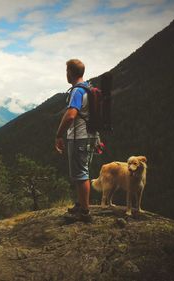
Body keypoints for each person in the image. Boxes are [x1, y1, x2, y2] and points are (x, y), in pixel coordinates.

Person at [55, 59, 98, 222]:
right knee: (82, 171)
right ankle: (81, 204)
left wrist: (59, 134)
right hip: (89, 136)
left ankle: (85, 212)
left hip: (79, 137)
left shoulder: (77, 91)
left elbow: (72, 114)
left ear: (70, 73)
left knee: (81, 174)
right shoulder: (88, 88)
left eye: (66, 71)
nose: (66, 74)